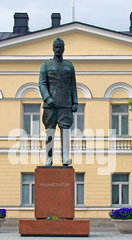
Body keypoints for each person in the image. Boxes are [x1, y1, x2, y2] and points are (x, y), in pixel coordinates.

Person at [39, 37, 78, 166]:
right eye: (56, 47)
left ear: (64, 49)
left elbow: (73, 85)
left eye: (60, 47)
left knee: (65, 129)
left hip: (65, 103)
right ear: (53, 48)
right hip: (50, 104)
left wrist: (75, 102)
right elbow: (42, 83)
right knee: (50, 131)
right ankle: (49, 158)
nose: (58, 49)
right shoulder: (46, 64)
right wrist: (47, 97)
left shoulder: (69, 66)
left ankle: (65, 156)